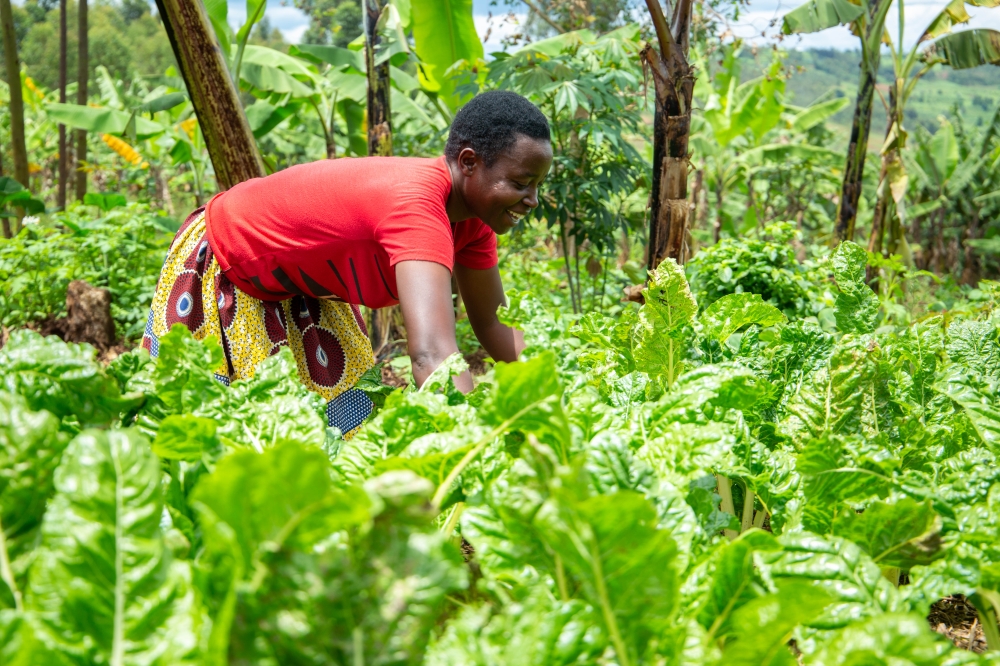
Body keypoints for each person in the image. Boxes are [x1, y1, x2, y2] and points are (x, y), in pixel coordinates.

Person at [141, 90, 553, 436]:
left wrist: (559, 391)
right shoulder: (418, 207)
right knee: (216, 433)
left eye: (537, 185)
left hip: (303, 285)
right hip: (228, 259)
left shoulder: (473, 223)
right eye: (519, 184)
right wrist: (474, 445)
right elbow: (431, 354)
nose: (532, 201)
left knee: (344, 431)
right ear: (468, 163)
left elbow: (494, 325)